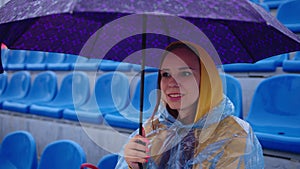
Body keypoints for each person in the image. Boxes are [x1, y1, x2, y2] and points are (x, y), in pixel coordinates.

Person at [115, 41, 264, 169]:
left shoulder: (235, 136)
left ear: (207, 80)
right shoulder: (150, 130)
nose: (172, 83)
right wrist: (132, 165)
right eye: (166, 74)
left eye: (185, 73)